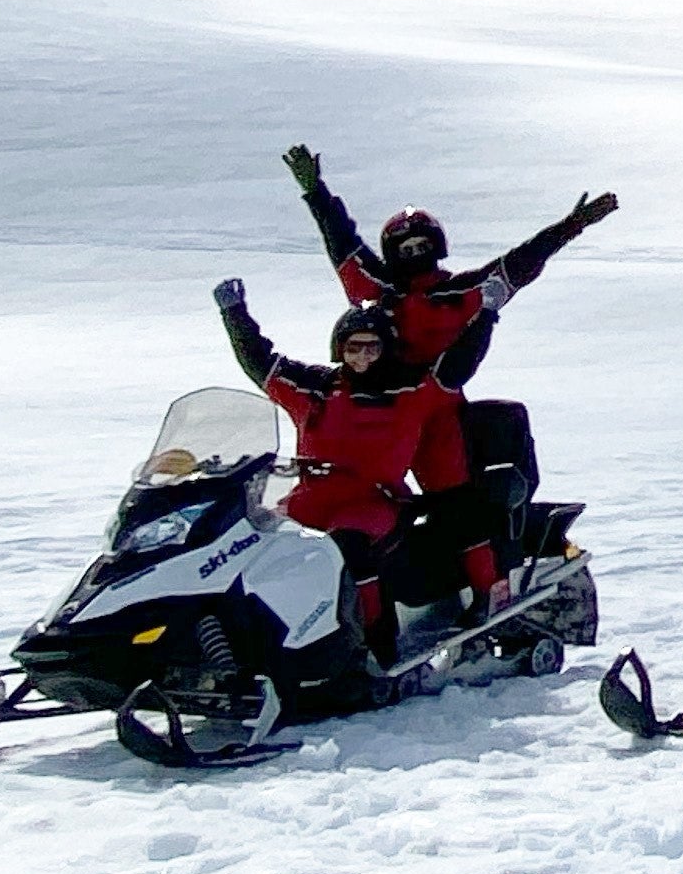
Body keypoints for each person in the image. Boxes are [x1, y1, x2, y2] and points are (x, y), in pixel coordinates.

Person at [212, 279, 495, 658]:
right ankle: (251, 639)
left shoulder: (411, 392)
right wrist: (234, 313)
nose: (362, 357)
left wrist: (486, 314)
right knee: (253, 541)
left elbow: (460, 361)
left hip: (372, 503)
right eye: (353, 347)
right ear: (339, 349)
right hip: (309, 500)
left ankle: (374, 640)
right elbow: (261, 363)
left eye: (372, 347)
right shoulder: (315, 389)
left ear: (387, 348)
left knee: (348, 547)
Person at [283, 144, 617, 384]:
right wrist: (316, 193)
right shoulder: (374, 286)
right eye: (406, 249)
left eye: (422, 246)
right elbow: (342, 239)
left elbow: (519, 262)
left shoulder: (462, 294)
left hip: (435, 401)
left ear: (437, 247)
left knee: (451, 478)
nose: (415, 254)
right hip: (368, 394)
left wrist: (570, 227)